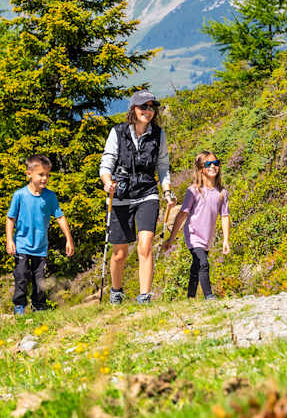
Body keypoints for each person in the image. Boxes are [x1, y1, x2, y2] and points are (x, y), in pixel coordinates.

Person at [99, 89, 172, 304]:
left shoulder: (158, 134)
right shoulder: (118, 132)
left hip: (147, 193)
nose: (148, 111)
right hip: (120, 195)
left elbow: (163, 165)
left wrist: (167, 190)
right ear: (133, 109)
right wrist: (107, 182)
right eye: (143, 107)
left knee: (145, 245)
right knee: (119, 254)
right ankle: (116, 291)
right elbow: (107, 162)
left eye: (151, 107)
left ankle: (144, 296)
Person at [5, 155, 74, 314]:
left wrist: (69, 239)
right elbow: (10, 218)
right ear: (29, 174)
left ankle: (39, 306)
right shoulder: (20, 195)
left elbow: (60, 217)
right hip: (22, 245)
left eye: (47, 175)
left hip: (40, 247)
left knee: (40, 280)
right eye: (41, 174)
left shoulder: (50, 197)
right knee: (21, 276)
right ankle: (19, 306)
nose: (45, 178)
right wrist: (9, 240)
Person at [162, 150, 231, 299]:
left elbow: (225, 216)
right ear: (201, 169)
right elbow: (182, 215)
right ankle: (209, 296)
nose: (213, 166)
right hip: (193, 235)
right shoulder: (193, 191)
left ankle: (190, 297)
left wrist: (226, 240)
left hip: (207, 237)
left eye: (216, 163)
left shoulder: (222, 193)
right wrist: (171, 238)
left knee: (196, 266)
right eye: (208, 164)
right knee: (203, 263)